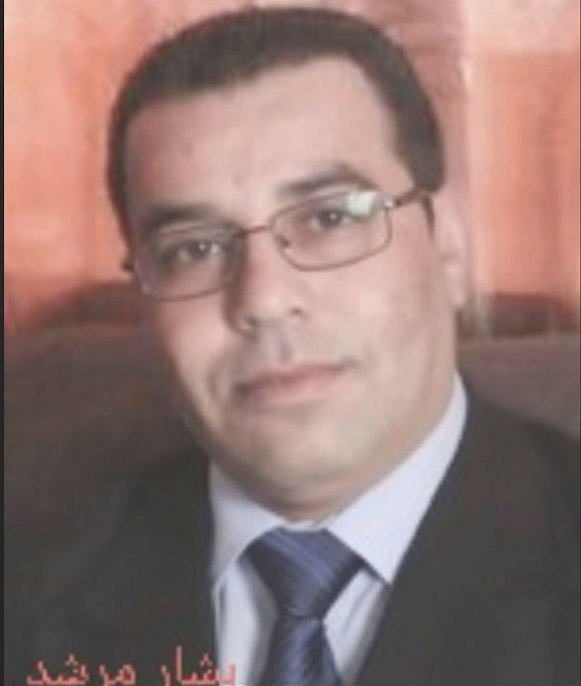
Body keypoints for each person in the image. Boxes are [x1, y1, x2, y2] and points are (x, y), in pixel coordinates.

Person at [6, 7, 579, 686]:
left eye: (329, 218)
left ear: (448, 245)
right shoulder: (31, 583)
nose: (264, 299)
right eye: (194, 249)